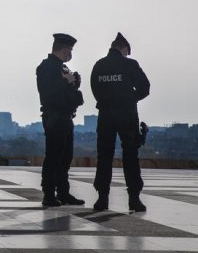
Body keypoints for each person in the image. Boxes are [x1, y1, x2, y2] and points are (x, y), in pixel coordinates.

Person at [90, 32, 150, 212]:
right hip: (126, 115)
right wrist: (130, 99)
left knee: (104, 156)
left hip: (106, 115)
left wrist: (109, 101)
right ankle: (134, 199)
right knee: (130, 156)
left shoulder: (99, 65)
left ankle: (102, 199)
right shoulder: (129, 64)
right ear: (124, 49)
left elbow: (95, 89)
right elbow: (145, 88)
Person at [36, 33, 85, 207]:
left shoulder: (63, 68)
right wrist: (65, 82)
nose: (70, 53)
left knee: (65, 157)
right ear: (64, 49)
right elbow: (48, 93)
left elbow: (65, 93)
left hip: (65, 116)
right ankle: (48, 194)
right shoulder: (46, 67)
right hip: (55, 117)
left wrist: (74, 84)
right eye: (70, 49)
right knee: (54, 157)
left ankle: (63, 192)